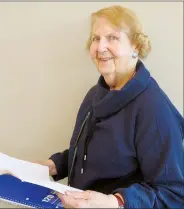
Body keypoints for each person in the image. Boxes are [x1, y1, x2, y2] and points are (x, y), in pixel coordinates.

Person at [40, 5, 184, 208]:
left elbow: (174, 194)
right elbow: (93, 153)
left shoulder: (154, 109)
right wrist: (54, 166)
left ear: (136, 46)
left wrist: (114, 202)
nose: (100, 47)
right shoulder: (94, 95)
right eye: (96, 38)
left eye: (112, 38)